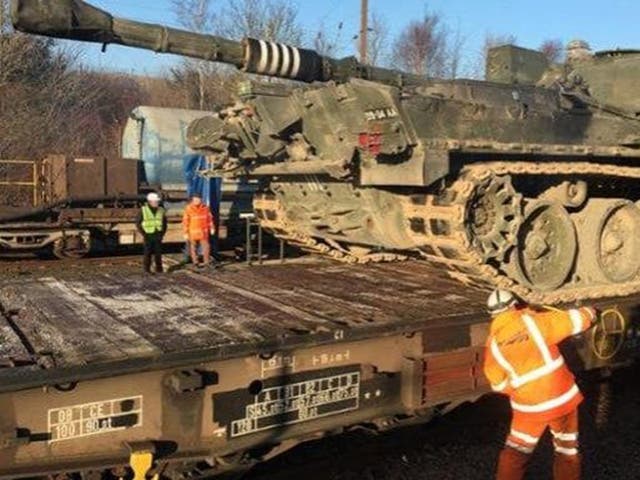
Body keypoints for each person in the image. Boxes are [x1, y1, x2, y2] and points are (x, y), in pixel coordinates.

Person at [483, 289, 597, 480]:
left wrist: (516, 389)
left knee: (516, 450)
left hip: (528, 408)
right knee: (566, 449)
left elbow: (496, 381)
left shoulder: (493, 344)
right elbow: (573, 321)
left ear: (493, 315)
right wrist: (589, 313)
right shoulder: (534, 322)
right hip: (561, 401)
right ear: (514, 305)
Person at [136, 192, 167, 274]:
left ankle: (159, 269)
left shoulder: (161, 210)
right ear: (150, 202)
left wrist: (162, 233)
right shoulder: (143, 210)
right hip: (148, 235)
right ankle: (146, 269)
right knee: (147, 253)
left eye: (157, 201)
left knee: (158, 253)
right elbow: (138, 223)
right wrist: (144, 234)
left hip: (157, 234)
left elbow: (164, 223)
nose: (157, 203)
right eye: (155, 201)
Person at [183, 193, 215, 268]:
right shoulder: (188, 208)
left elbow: (209, 219)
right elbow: (185, 221)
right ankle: (195, 262)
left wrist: (212, 228)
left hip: (203, 232)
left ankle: (206, 262)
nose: (196, 201)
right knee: (193, 248)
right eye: (195, 199)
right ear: (192, 200)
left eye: (198, 199)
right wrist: (185, 232)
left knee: (206, 247)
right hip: (193, 232)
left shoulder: (206, 208)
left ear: (201, 200)